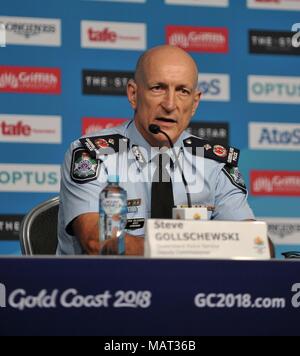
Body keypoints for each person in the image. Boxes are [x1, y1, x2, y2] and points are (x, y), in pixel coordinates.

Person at [57, 45, 255, 256]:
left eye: (182, 91)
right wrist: (187, 249)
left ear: (195, 102)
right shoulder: (93, 155)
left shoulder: (214, 163)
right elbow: (98, 241)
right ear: (133, 94)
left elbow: (254, 243)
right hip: (107, 287)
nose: (170, 104)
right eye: (158, 88)